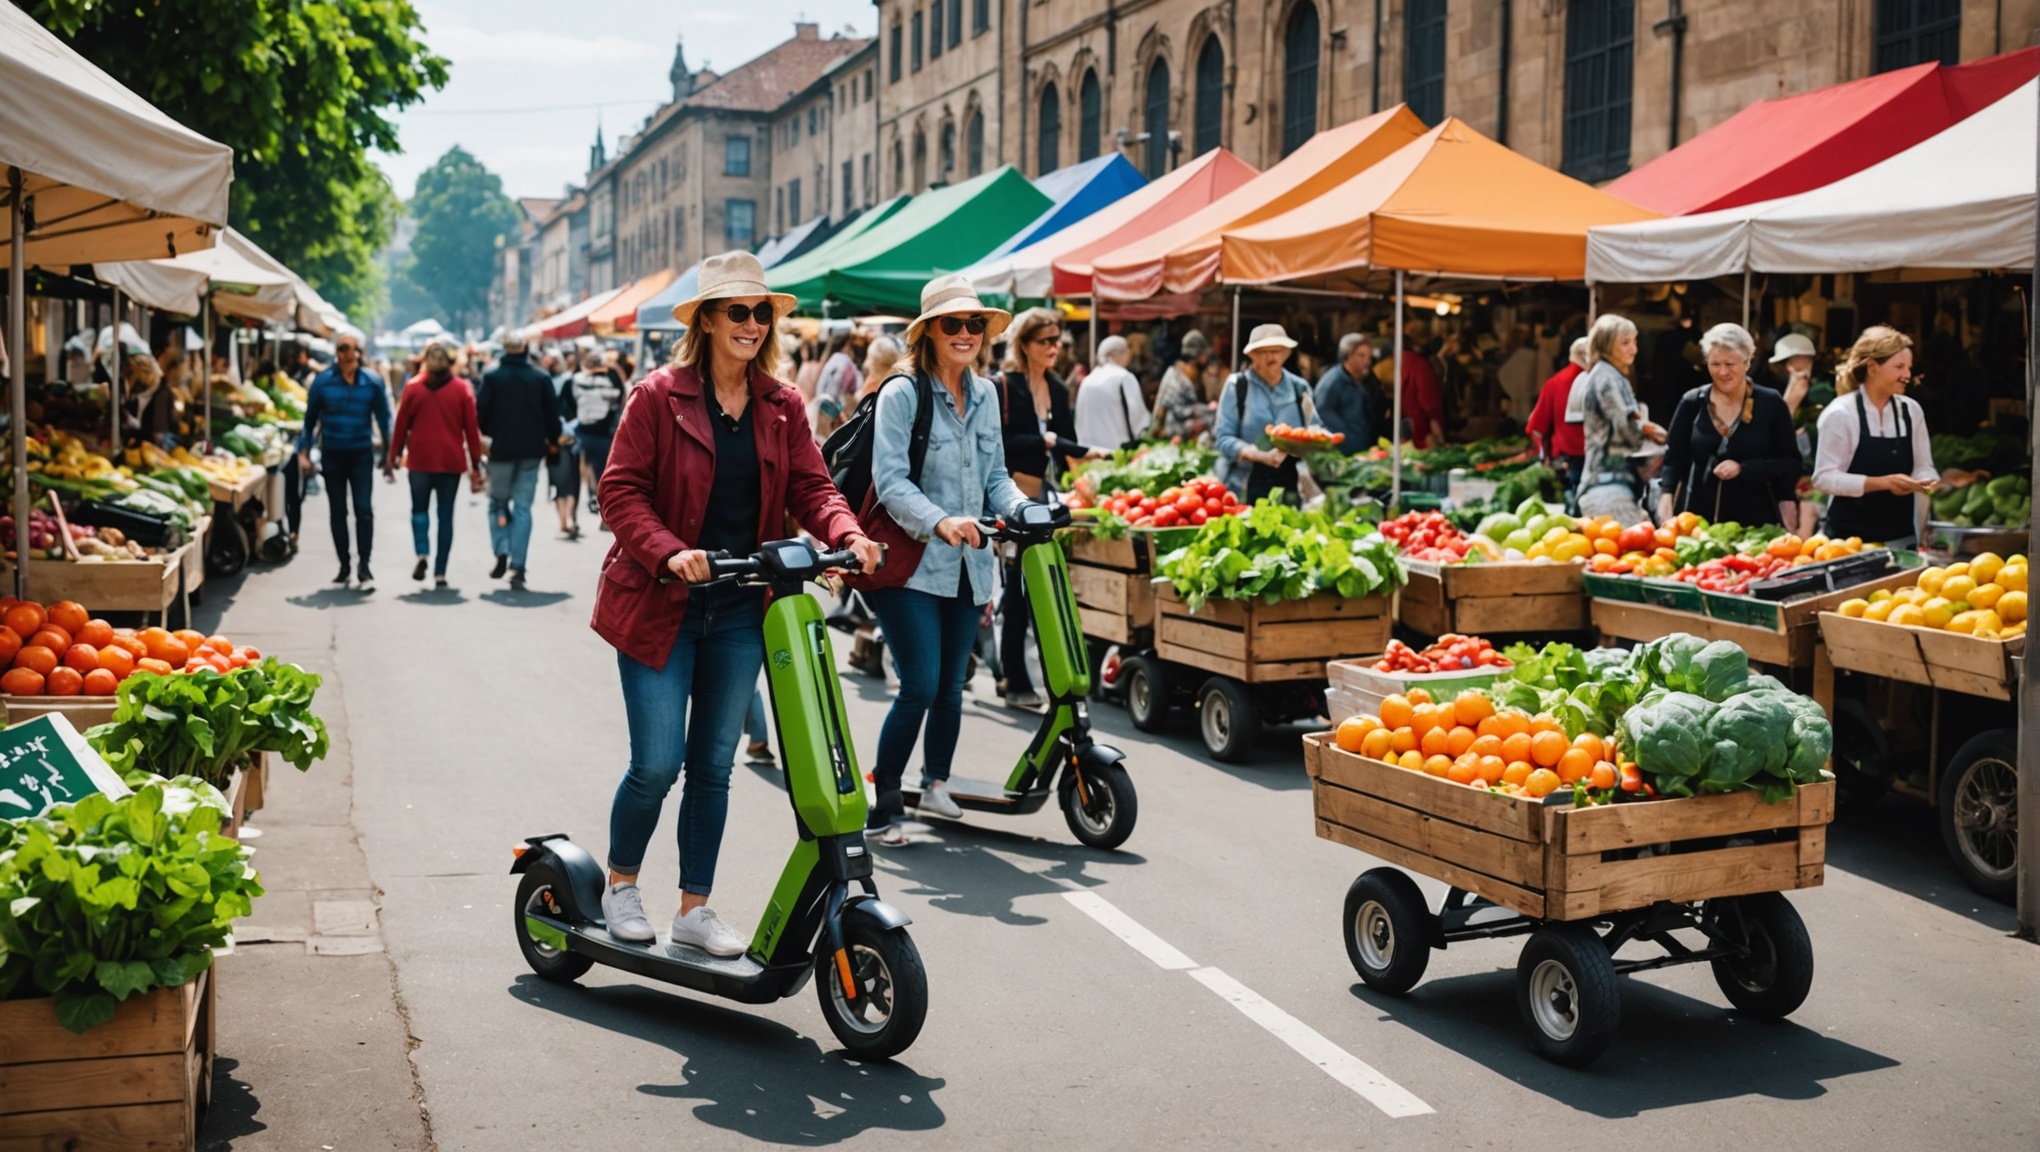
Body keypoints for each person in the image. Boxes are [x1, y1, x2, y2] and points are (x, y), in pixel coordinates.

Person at [592, 251, 883, 955]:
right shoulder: (658, 396)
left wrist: (845, 531)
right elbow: (620, 492)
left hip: (739, 607)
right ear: (708, 322)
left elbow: (812, 488)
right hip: (661, 602)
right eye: (738, 312)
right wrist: (668, 550)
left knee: (714, 766)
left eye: (762, 313)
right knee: (657, 765)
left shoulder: (781, 405)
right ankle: (621, 884)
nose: (752, 324)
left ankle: (695, 908)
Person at [864, 274, 1029, 846]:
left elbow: (997, 477)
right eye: (952, 324)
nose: (964, 333)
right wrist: (940, 520)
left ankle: (935, 782)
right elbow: (889, 481)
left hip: (969, 565)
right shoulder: (902, 392)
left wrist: (1023, 508)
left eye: (974, 324)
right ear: (928, 331)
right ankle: (883, 803)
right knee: (920, 683)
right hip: (909, 563)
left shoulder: (985, 395)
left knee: (952, 685)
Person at [995, 307, 1103, 710]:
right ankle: (1015, 676)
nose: (1055, 348)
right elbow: (999, 444)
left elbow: (1068, 443)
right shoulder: (1004, 385)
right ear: (1024, 345)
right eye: (1046, 341)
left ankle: (1013, 666)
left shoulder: (1058, 388)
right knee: (1018, 589)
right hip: (1008, 496)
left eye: (1059, 341)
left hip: (1046, 499)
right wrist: (1044, 442)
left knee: (1031, 585)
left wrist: (1090, 468)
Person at [1656, 324, 1801, 529]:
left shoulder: (1771, 403)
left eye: (1730, 364)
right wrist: (1666, 496)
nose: (1722, 372)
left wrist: (1744, 469)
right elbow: (1674, 458)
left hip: (1755, 525)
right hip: (1697, 524)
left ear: (1747, 363)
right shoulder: (1692, 402)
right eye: (1715, 364)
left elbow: (1790, 462)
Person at [1812, 326, 1938, 547]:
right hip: (1848, 543)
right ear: (1872, 368)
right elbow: (1823, 478)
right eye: (1899, 367)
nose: (1907, 375)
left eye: (1908, 367)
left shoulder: (1912, 411)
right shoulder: (1841, 414)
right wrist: (1882, 483)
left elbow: (1923, 466)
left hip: (1902, 539)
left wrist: (1926, 482)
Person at [385, 340, 486, 589]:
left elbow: (401, 426)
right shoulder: (462, 389)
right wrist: (475, 465)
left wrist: (393, 456)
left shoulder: (413, 387)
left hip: (419, 460)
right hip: (451, 462)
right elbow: (471, 431)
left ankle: (422, 553)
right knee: (445, 517)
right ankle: (440, 571)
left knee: (419, 510)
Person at [298, 331, 393, 591]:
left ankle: (364, 564)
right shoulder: (323, 382)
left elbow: (384, 419)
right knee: (338, 511)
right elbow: (309, 421)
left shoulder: (372, 382)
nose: (347, 354)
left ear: (360, 353)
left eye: (352, 349)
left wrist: (389, 454)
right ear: (336, 353)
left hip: (361, 453)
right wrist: (303, 452)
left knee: (364, 509)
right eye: (342, 349)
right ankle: (344, 564)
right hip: (333, 455)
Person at [477, 330, 563, 588]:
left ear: (504, 349)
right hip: (531, 451)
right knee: (523, 507)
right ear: (525, 349)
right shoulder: (540, 377)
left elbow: (480, 415)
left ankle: (502, 548)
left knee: (498, 503)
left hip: (500, 452)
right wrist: (554, 443)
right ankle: (518, 565)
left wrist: (488, 436)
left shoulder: (492, 377)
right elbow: (552, 416)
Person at [1574, 314, 1667, 524]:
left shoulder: (1610, 374)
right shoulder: (1606, 377)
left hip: (1612, 482)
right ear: (1606, 345)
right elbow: (1627, 427)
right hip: (1607, 485)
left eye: (1634, 341)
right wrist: (1652, 434)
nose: (1633, 349)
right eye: (1625, 343)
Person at [1214, 323, 1322, 504]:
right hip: (1247, 482)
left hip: (1292, 481)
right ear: (1251, 355)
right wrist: (1258, 455)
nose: (1271, 356)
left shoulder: (1300, 388)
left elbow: (1314, 428)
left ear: (1286, 353)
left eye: (1277, 350)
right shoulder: (1237, 386)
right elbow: (1223, 438)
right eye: (1264, 351)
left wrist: (1319, 439)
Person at [1527, 338, 1591, 498]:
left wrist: (1544, 457)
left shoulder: (1555, 383)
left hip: (1565, 461)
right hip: (1596, 460)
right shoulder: (1600, 382)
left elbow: (1537, 427)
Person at [569, 349, 624, 524]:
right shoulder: (611, 380)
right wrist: (613, 368)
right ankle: (601, 507)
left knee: (580, 472)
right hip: (604, 433)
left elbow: (569, 402)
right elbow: (621, 395)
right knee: (602, 471)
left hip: (581, 431)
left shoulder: (577, 380)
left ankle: (575, 514)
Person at [1072, 335, 1148, 450]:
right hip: (1117, 452)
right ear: (1116, 355)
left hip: (1088, 452)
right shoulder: (1124, 377)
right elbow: (1138, 418)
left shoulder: (1088, 380)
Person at [1313, 333, 1378, 454]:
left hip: (1363, 449)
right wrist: (1348, 439)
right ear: (1348, 356)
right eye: (1361, 356)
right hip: (1340, 451)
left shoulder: (1368, 379)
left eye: (1369, 357)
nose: (1366, 361)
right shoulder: (1332, 381)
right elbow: (1323, 414)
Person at [1376, 338, 1447, 448]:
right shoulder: (1420, 366)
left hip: (1409, 425)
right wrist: (1440, 437)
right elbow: (1431, 405)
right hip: (1421, 428)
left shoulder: (1403, 365)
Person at [1768, 332, 1819, 416]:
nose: (1809, 362)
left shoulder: (1818, 390)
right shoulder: (1771, 391)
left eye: (1809, 359)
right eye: (1783, 363)